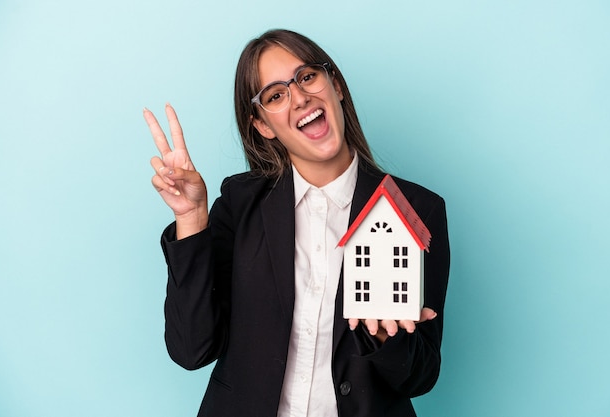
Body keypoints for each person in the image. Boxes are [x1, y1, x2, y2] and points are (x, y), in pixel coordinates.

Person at [144, 29, 450, 417]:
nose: (300, 97)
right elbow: (192, 349)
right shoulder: (241, 204)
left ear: (335, 85)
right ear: (263, 126)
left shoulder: (415, 209)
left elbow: (420, 377)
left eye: (307, 77)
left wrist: (387, 336)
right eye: (275, 95)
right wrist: (190, 219)